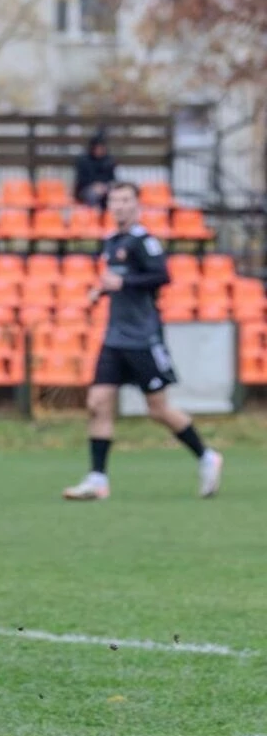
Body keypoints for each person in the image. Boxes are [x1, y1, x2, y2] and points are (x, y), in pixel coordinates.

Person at [62, 181, 222, 501]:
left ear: (137, 205)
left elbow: (161, 276)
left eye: (126, 200)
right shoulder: (112, 241)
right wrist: (101, 290)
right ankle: (97, 479)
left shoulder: (144, 241)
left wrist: (122, 283)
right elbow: (117, 281)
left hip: (142, 339)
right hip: (114, 338)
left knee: (158, 409)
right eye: (115, 201)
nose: (119, 206)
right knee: (97, 403)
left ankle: (206, 456)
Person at [74, 130, 117, 210]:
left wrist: (104, 186)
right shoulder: (83, 161)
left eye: (101, 148)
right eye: (97, 148)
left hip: (105, 188)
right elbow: (81, 180)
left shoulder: (109, 160)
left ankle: (110, 214)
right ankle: (94, 214)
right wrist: (94, 185)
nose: (99, 151)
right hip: (85, 189)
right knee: (93, 194)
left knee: (115, 193)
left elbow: (112, 178)